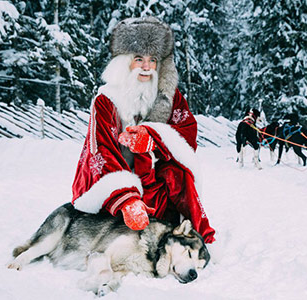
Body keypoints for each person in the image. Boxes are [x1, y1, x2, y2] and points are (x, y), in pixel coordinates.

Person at [70, 16, 215, 243]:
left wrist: (154, 140)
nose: (147, 67)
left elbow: (187, 135)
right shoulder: (106, 101)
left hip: (155, 183)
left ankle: (191, 231)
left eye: (153, 60)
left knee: (179, 175)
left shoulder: (170, 98)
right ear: (125, 61)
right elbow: (101, 153)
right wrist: (126, 199)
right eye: (139, 59)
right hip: (119, 181)